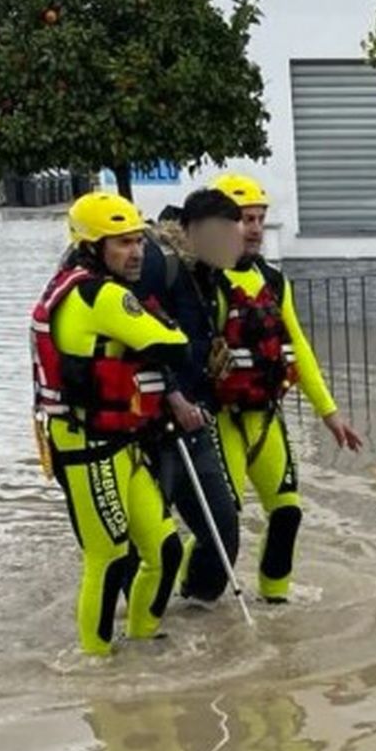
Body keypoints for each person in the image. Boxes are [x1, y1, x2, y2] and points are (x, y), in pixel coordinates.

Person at [32, 191, 200, 655]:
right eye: (122, 243)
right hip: (88, 446)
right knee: (106, 559)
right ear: (92, 247)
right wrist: (161, 325)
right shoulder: (99, 295)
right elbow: (174, 346)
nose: (137, 252)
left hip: (122, 442)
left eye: (138, 242)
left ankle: (144, 640)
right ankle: (97, 670)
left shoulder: (77, 286)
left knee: (164, 550)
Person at [206, 173, 363, 603]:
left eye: (260, 218)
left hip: (265, 416)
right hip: (222, 421)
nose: (255, 228)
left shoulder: (273, 281)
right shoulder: (206, 283)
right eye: (244, 219)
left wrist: (330, 415)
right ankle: (192, 594)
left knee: (288, 511)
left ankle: (275, 600)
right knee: (221, 522)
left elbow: (301, 349)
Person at [132, 191, 247, 608]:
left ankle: (197, 613)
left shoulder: (211, 275)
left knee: (223, 531)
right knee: (148, 546)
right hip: (148, 429)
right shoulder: (155, 267)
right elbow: (134, 333)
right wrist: (173, 392)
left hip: (196, 424)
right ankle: (136, 636)